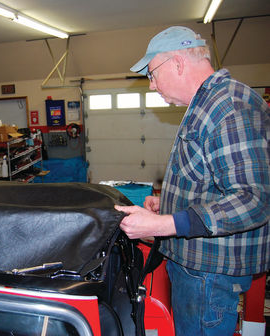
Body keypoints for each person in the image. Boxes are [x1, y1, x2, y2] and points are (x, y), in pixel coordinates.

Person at [115, 26, 269, 335]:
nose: (152, 85)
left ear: (177, 63)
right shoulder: (207, 104)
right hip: (199, 269)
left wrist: (164, 224)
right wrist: (170, 205)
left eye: (152, 74)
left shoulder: (228, 107)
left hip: (208, 274)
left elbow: (253, 199)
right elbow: (212, 179)